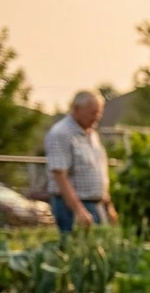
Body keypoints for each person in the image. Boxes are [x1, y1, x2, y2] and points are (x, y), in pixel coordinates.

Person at [45, 90, 116, 233]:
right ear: (77, 109)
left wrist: (108, 206)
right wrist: (79, 210)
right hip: (72, 207)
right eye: (92, 112)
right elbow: (60, 176)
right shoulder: (61, 133)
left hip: (95, 205)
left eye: (99, 112)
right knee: (77, 250)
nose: (97, 117)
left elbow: (98, 171)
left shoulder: (92, 134)